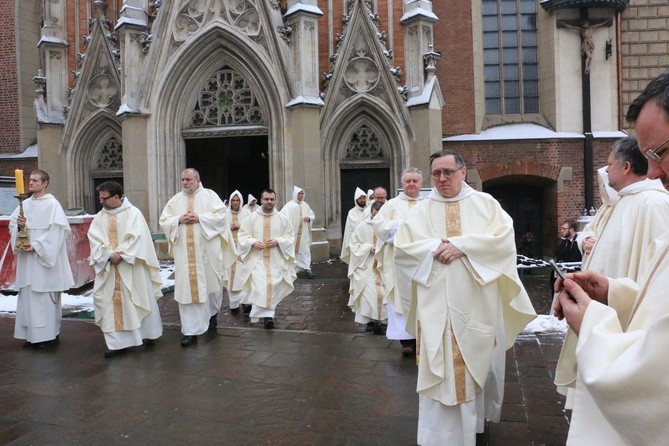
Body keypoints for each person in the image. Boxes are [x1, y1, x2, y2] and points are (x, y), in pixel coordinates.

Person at [554, 71, 669, 445]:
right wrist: (613, 293)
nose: (651, 171)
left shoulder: (653, 202)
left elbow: (656, 378)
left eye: (659, 152)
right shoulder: (626, 202)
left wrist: (593, 323)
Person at [394, 150, 536, 445]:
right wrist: (436, 247)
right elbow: (403, 251)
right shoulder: (419, 211)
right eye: (436, 174)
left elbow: (503, 243)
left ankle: (473, 429)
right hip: (436, 308)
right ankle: (438, 436)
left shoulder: (485, 205)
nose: (442, 179)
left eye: (448, 172)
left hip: (476, 307)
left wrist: (463, 246)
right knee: (440, 370)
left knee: (475, 368)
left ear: (463, 172)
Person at [159, 168, 236, 346]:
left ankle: (211, 316)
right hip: (185, 257)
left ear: (197, 180)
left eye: (188, 179)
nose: (185, 183)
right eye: (183, 180)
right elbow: (164, 220)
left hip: (207, 254)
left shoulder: (210, 196)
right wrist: (178, 219)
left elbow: (222, 216)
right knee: (187, 292)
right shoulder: (175, 200)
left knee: (211, 287)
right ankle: (190, 331)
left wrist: (200, 218)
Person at [87, 181, 163, 358]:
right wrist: (107, 255)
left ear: (116, 197)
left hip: (132, 266)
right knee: (109, 303)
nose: (101, 202)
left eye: (104, 198)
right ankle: (116, 344)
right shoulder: (99, 217)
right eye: (100, 197)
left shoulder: (133, 213)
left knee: (138, 298)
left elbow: (138, 239)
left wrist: (120, 254)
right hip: (109, 269)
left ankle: (146, 334)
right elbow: (94, 240)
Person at [9, 170, 74, 348]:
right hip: (27, 260)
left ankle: (49, 337)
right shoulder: (25, 204)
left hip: (44, 259)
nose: (31, 183)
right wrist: (20, 228)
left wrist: (37, 245)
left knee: (44, 296)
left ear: (45, 183)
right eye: (30, 180)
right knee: (28, 295)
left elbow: (57, 232)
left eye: (35, 180)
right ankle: (32, 337)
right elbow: (12, 225)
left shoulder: (53, 205)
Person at [373, 168, 423, 356]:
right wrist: (404, 225)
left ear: (421, 184)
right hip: (398, 264)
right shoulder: (391, 205)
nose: (411, 184)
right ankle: (406, 341)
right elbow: (379, 226)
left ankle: (423, 338)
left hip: (422, 262)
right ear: (402, 184)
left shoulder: (428, 204)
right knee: (400, 299)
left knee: (423, 300)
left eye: (415, 181)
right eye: (408, 181)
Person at [237, 189, 296, 329]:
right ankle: (268, 317)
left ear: (275, 200)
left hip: (276, 260)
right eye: (266, 199)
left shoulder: (283, 219)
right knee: (261, 285)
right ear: (261, 200)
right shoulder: (250, 218)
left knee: (272, 286)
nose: (269, 202)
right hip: (257, 259)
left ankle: (268, 316)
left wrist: (278, 241)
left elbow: (290, 237)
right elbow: (242, 236)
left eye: (272, 199)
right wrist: (252, 242)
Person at [347, 200, 387, 334]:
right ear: (371, 212)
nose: (376, 219)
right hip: (367, 266)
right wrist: (368, 248)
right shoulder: (362, 226)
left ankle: (382, 321)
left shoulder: (388, 226)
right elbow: (354, 244)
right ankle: (371, 321)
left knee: (384, 294)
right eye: (374, 215)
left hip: (383, 267)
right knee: (369, 295)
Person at [280, 186, 316, 279]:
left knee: (305, 250)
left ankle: (307, 269)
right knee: (292, 250)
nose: (301, 195)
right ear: (295, 194)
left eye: (302, 193)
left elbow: (312, 215)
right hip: (293, 233)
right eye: (299, 193)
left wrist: (309, 218)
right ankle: (292, 270)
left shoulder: (305, 205)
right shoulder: (289, 206)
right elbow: (282, 217)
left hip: (303, 234)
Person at [225, 190, 251, 315]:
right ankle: (234, 304)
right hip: (229, 251)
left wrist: (240, 226)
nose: (235, 203)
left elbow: (252, 229)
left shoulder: (247, 214)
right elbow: (217, 229)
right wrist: (227, 228)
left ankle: (246, 303)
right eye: (233, 200)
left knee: (244, 276)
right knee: (231, 277)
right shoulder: (224, 214)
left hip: (243, 252)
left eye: (237, 200)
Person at [550, 219, 582, 292]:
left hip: (571, 276)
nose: (561, 230)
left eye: (564, 229)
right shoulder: (564, 242)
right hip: (561, 274)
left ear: (571, 229)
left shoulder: (578, 242)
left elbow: (576, 260)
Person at [340, 187, 367, 265]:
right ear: (356, 200)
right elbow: (351, 228)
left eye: (363, 197)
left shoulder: (370, 210)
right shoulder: (352, 212)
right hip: (356, 242)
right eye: (360, 198)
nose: (362, 200)